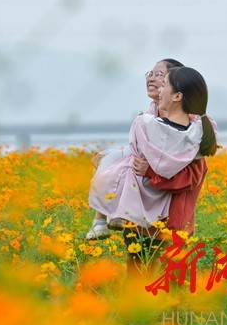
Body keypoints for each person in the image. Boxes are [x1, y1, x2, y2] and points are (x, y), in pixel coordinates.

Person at [89, 67, 218, 269]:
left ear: (177, 95)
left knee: (160, 283)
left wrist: (149, 171)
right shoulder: (159, 127)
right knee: (141, 279)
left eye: (163, 80)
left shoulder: (194, 139)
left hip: (171, 226)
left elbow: (188, 180)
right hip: (142, 224)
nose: (156, 84)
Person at [85, 58, 185, 240]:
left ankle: (106, 217)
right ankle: (106, 217)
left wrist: (148, 170)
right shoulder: (151, 113)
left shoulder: (184, 121)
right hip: (139, 209)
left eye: (159, 75)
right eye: (150, 74)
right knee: (109, 158)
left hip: (165, 219)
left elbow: (186, 173)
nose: (151, 79)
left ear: (175, 84)